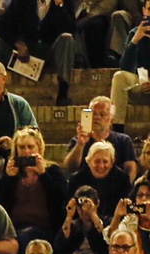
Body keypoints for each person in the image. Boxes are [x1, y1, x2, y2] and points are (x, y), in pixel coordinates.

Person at [0, 0, 77, 105]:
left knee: (67, 38)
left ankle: (63, 92)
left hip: (50, 53)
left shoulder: (64, 3)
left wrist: (60, 6)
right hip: (24, 53)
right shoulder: (23, 2)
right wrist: (17, 43)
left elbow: (71, 28)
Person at [62, 96, 137, 179]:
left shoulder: (123, 141)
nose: (96, 117)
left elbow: (131, 168)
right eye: (93, 113)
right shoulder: (78, 140)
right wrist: (80, 145)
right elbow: (69, 167)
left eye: (102, 114)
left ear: (111, 120)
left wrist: (127, 187)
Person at [71, 141, 134, 223]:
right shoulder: (77, 179)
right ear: (89, 161)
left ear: (112, 163)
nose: (101, 166)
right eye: (97, 161)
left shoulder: (122, 179)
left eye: (105, 162)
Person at [111, 4, 150, 134]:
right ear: (144, 10)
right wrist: (135, 41)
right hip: (141, 84)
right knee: (119, 76)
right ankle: (117, 131)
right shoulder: (135, 33)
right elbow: (125, 66)